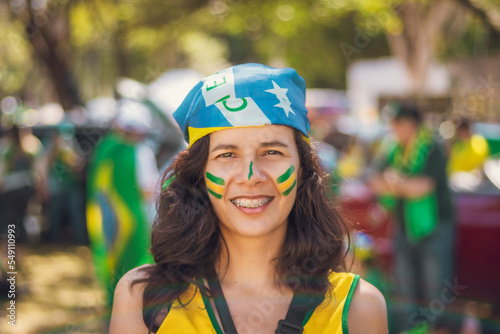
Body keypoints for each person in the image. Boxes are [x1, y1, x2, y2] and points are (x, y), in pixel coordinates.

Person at [109, 64, 387, 333]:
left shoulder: (358, 308)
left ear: (304, 170)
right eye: (226, 155)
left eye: (272, 152)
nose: (251, 176)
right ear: (199, 175)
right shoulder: (145, 300)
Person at [369, 102, 455, 332]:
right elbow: (374, 181)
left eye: (396, 123)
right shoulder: (392, 147)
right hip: (404, 227)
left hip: (435, 228)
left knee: (434, 290)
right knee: (405, 289)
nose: (393, 128)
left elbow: (423, 187)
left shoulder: (432, 147)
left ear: (409, 124)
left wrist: (393, 182)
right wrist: (401, 185)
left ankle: (436, 329)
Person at [86, 99, 159, 307]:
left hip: (106, 219)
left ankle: (112, 307)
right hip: (134, 222)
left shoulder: (105, 147)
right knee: (136, 270)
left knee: (113, 267)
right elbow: (148, 191)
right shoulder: (141, 152)